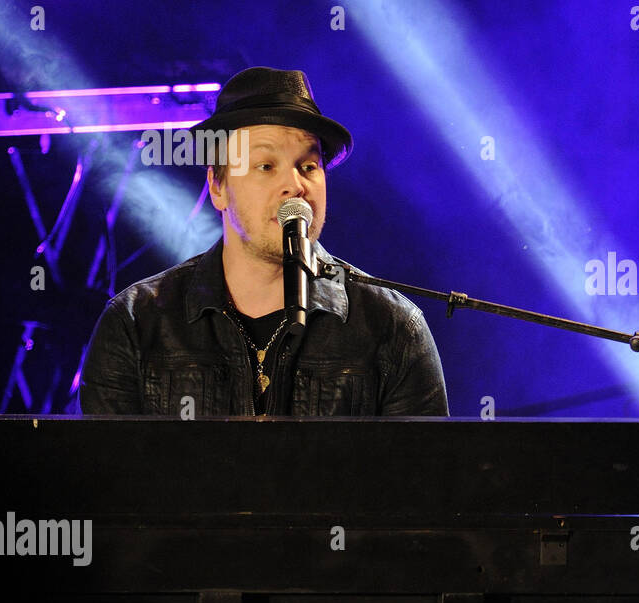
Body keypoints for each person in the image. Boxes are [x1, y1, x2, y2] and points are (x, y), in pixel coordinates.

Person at [79, 67, 448, 417]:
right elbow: (109, 477)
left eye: (308, 166)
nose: (295, 186)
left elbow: (423, 478)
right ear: (218, 187)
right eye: (266, 166)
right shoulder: (136, 323)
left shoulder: (392, 327)